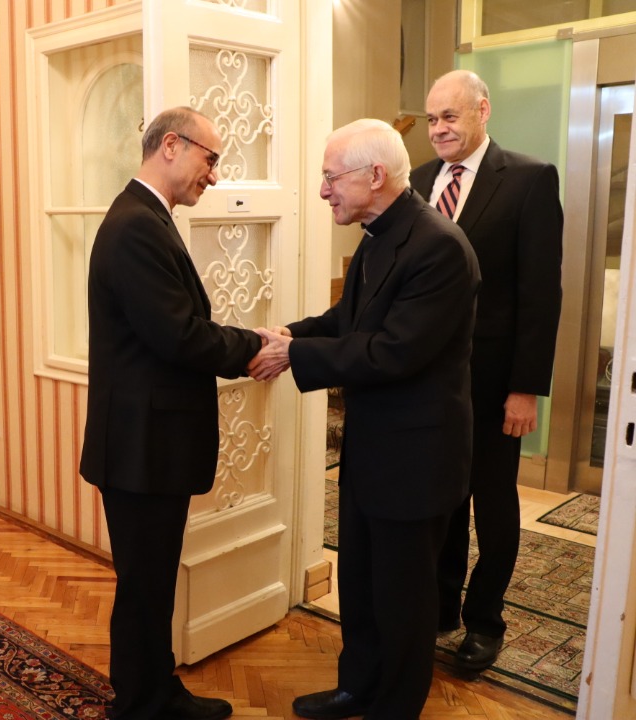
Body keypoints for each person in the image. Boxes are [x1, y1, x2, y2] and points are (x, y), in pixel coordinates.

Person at [250, 119, 480, 719]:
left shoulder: (439, 247)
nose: (322, 190)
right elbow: (348, 321)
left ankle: (393, 707)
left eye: (331, 177)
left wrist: (294, 355)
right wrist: (289, 334)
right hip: (374, 450)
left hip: (416, 460)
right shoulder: (379, 235)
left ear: (375, 176)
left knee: (404, 599)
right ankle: (357, 686)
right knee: (360, 581)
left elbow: (393, 351)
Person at [80, 106, 278, 720]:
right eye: (210, 159)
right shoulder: (136, 226)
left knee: (151, 582)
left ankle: (155, 692)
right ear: (171, 145)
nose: (214, 175)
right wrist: (254, 346)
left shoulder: (145, 217)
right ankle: (141, 704)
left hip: (147, 442)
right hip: (141, 446)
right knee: (145, 585)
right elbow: (179, 336)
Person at [410, 70, 563, 671]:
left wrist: (526, 388)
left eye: (449, 116)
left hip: (495, 382)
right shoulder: (417, 181)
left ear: (482, 110)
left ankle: (484, 620)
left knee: (493, 506)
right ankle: (442, 608)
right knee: (440, 498)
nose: (438, 129)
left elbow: (540, 296)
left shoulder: (529, 179)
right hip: (429, 382)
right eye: (431, 119)